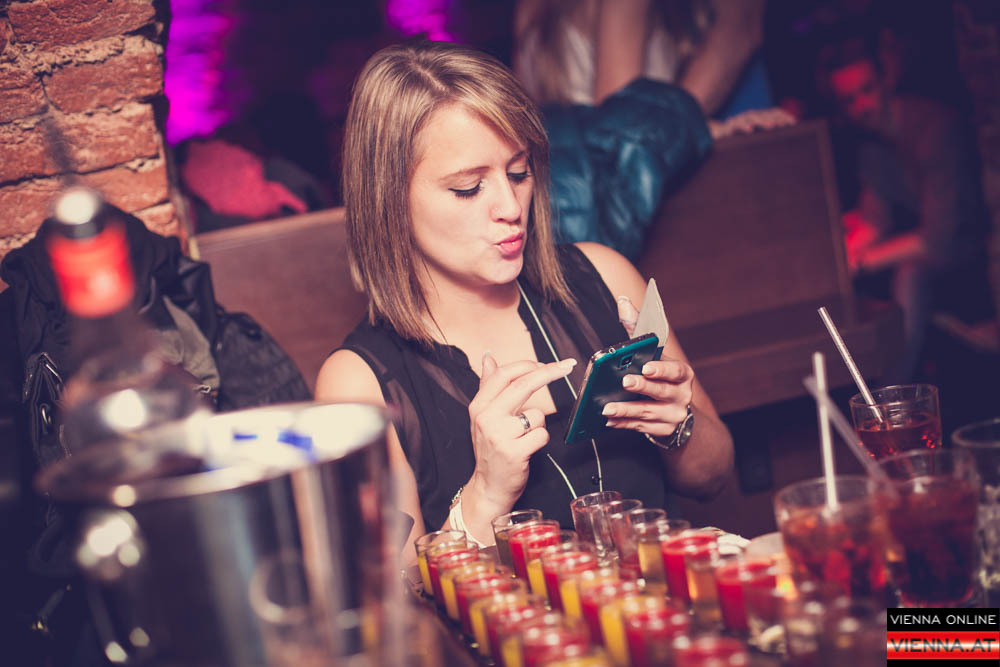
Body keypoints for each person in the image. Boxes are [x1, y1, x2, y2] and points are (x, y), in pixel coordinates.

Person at [314, 40, 733, 556]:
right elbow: (395, 595)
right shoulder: (356, 383)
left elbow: (714, 476)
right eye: (469, 188)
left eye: (519, 173)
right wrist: (485, 496)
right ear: (388, 200)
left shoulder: (605, 275)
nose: (511, 207)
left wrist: (678, 426)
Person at [825, 44, 994, 382]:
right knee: (860, 287)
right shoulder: (871, 145)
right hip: (934, 249)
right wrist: (841, 256)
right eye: (849, 100)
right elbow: (875, 220)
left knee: (909, 275)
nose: (861, 106)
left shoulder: (935, 128)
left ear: (886, 79)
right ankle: (851, 386)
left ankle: (894, 391)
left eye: (867, 90)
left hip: (977, 248)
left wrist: (860, 262)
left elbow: (938, 238)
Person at [514, 0, 795, 138]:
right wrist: (713, 131)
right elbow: (622, 129)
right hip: (611, 194)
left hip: (566, 194)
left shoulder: (533, 9)